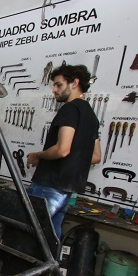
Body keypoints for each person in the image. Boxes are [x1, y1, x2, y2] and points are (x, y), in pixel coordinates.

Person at [26, 64, 101, 239]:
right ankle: (51, 266)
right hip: (66, 189)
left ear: (74, 83)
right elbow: (96, 157)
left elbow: (62, 150)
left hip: (49, 185)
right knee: (51, 234)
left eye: (58, 85)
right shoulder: (91, 116)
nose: (54, 90)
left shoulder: (70, 109)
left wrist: (37, 155)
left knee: (28, 231)